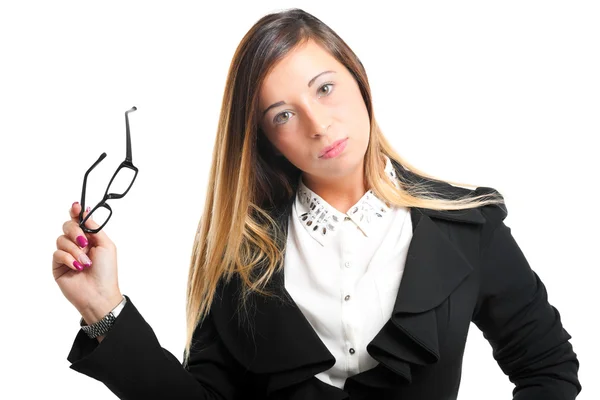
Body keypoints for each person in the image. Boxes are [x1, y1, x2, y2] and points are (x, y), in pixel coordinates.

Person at [52, 8, 581, 400]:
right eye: (282, 114)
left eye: (325, 88)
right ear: (264, 139)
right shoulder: (240, 254)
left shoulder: (468, 223)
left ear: (358, 78)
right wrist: (104, 309)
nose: (317, 123)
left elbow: (548, 368)